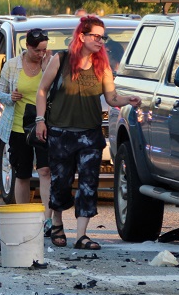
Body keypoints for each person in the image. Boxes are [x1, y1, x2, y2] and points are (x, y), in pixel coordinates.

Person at [35, 16, 141, 250]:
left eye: (103, 37)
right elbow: (42, 90)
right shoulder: (61, 59)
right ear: (82, 37)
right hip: (60, 133)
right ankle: (57, 224)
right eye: (96, 36)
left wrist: (128, 100)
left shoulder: (102, 65)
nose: (100, 41)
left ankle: (81, 235)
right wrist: (40, 120)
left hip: (90, 135)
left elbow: (112, 98)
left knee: (88, 184)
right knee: (61, 183)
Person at [0, 29, 53, 225]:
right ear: (27, 46)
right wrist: (10, 97)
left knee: (45, 171)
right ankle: (24, 218)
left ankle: (47, 219)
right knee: (22, 174)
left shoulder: (49, 64)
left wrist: (46, 68)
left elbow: (56, 92)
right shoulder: (12, 66)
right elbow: (0, 94)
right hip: (18, 127)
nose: (41, 54)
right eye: (37, 50)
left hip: (43, 125)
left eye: (44, 50)